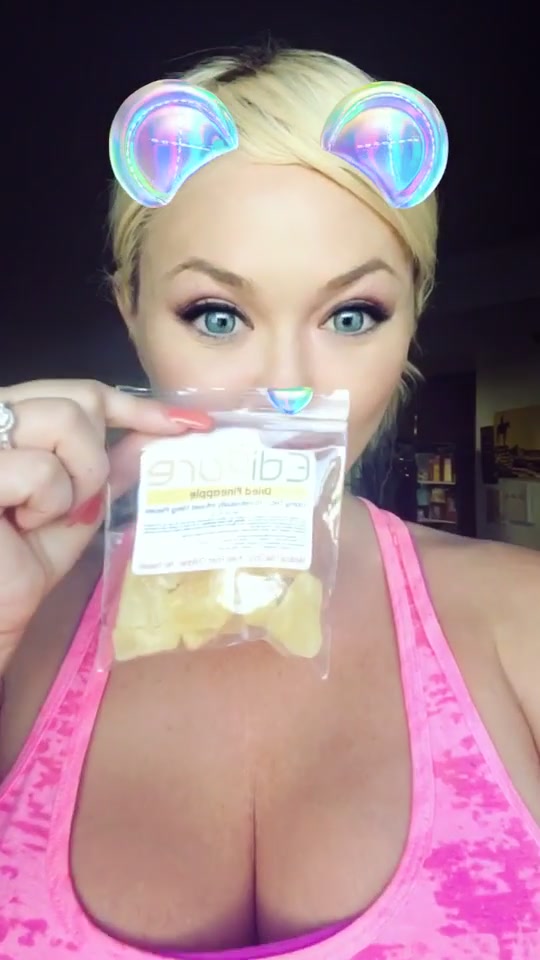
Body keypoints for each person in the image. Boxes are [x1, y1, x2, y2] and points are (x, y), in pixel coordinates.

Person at [0, 45, 539, 960]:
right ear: (131, 312)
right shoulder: (21, 623)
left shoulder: (523, 620)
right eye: (217, 315)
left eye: (351, 315)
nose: (287, 385)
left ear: (414, 316)